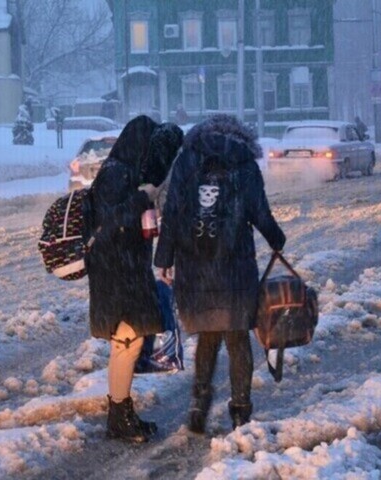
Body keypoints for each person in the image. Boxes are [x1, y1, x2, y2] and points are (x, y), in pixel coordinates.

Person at [154, 114, 286, 433]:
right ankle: (240, 409)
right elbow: (259, 212)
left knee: (208, 335)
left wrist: (164, 259)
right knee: (237, 337)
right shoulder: (244, 164)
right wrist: (277, 240)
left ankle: (199, 401)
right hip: (235, 265)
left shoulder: (186, 161)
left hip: (195, 264)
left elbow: (171, 213)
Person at [83, 115, 182, 443]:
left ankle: (122, 414)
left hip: (126, 270)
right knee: (127, 341)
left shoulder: (125, 172)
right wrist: (144, 196)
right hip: (115, 272)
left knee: (128, 342)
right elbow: (114, 222)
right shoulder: (115, 174)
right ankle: (119, 417)